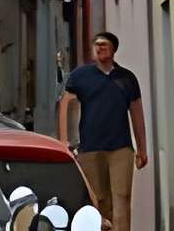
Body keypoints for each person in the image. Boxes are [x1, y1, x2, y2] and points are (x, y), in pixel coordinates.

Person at [61, 33, 148, 231]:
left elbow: (136, 113)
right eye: (97, 45)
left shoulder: (127, 79)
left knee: (122, 196)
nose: (100, 48)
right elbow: (67, 107)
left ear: (113, 49)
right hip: (90, 148)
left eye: (104, 45)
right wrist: (66, 141)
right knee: (98, 201)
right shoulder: (80, 77)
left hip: (121, 148)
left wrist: (142, 148)